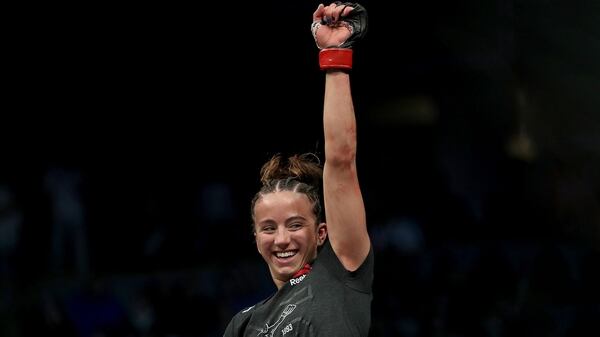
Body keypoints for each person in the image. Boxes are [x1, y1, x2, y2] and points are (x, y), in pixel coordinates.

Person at [223, 2, 372, 336]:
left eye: (295, 224)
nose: (282, 239)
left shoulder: (341, 275)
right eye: (268, 228)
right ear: (256, 237)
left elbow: (341, 160)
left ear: (321, 233)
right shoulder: (243, 324)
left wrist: (335, 57)